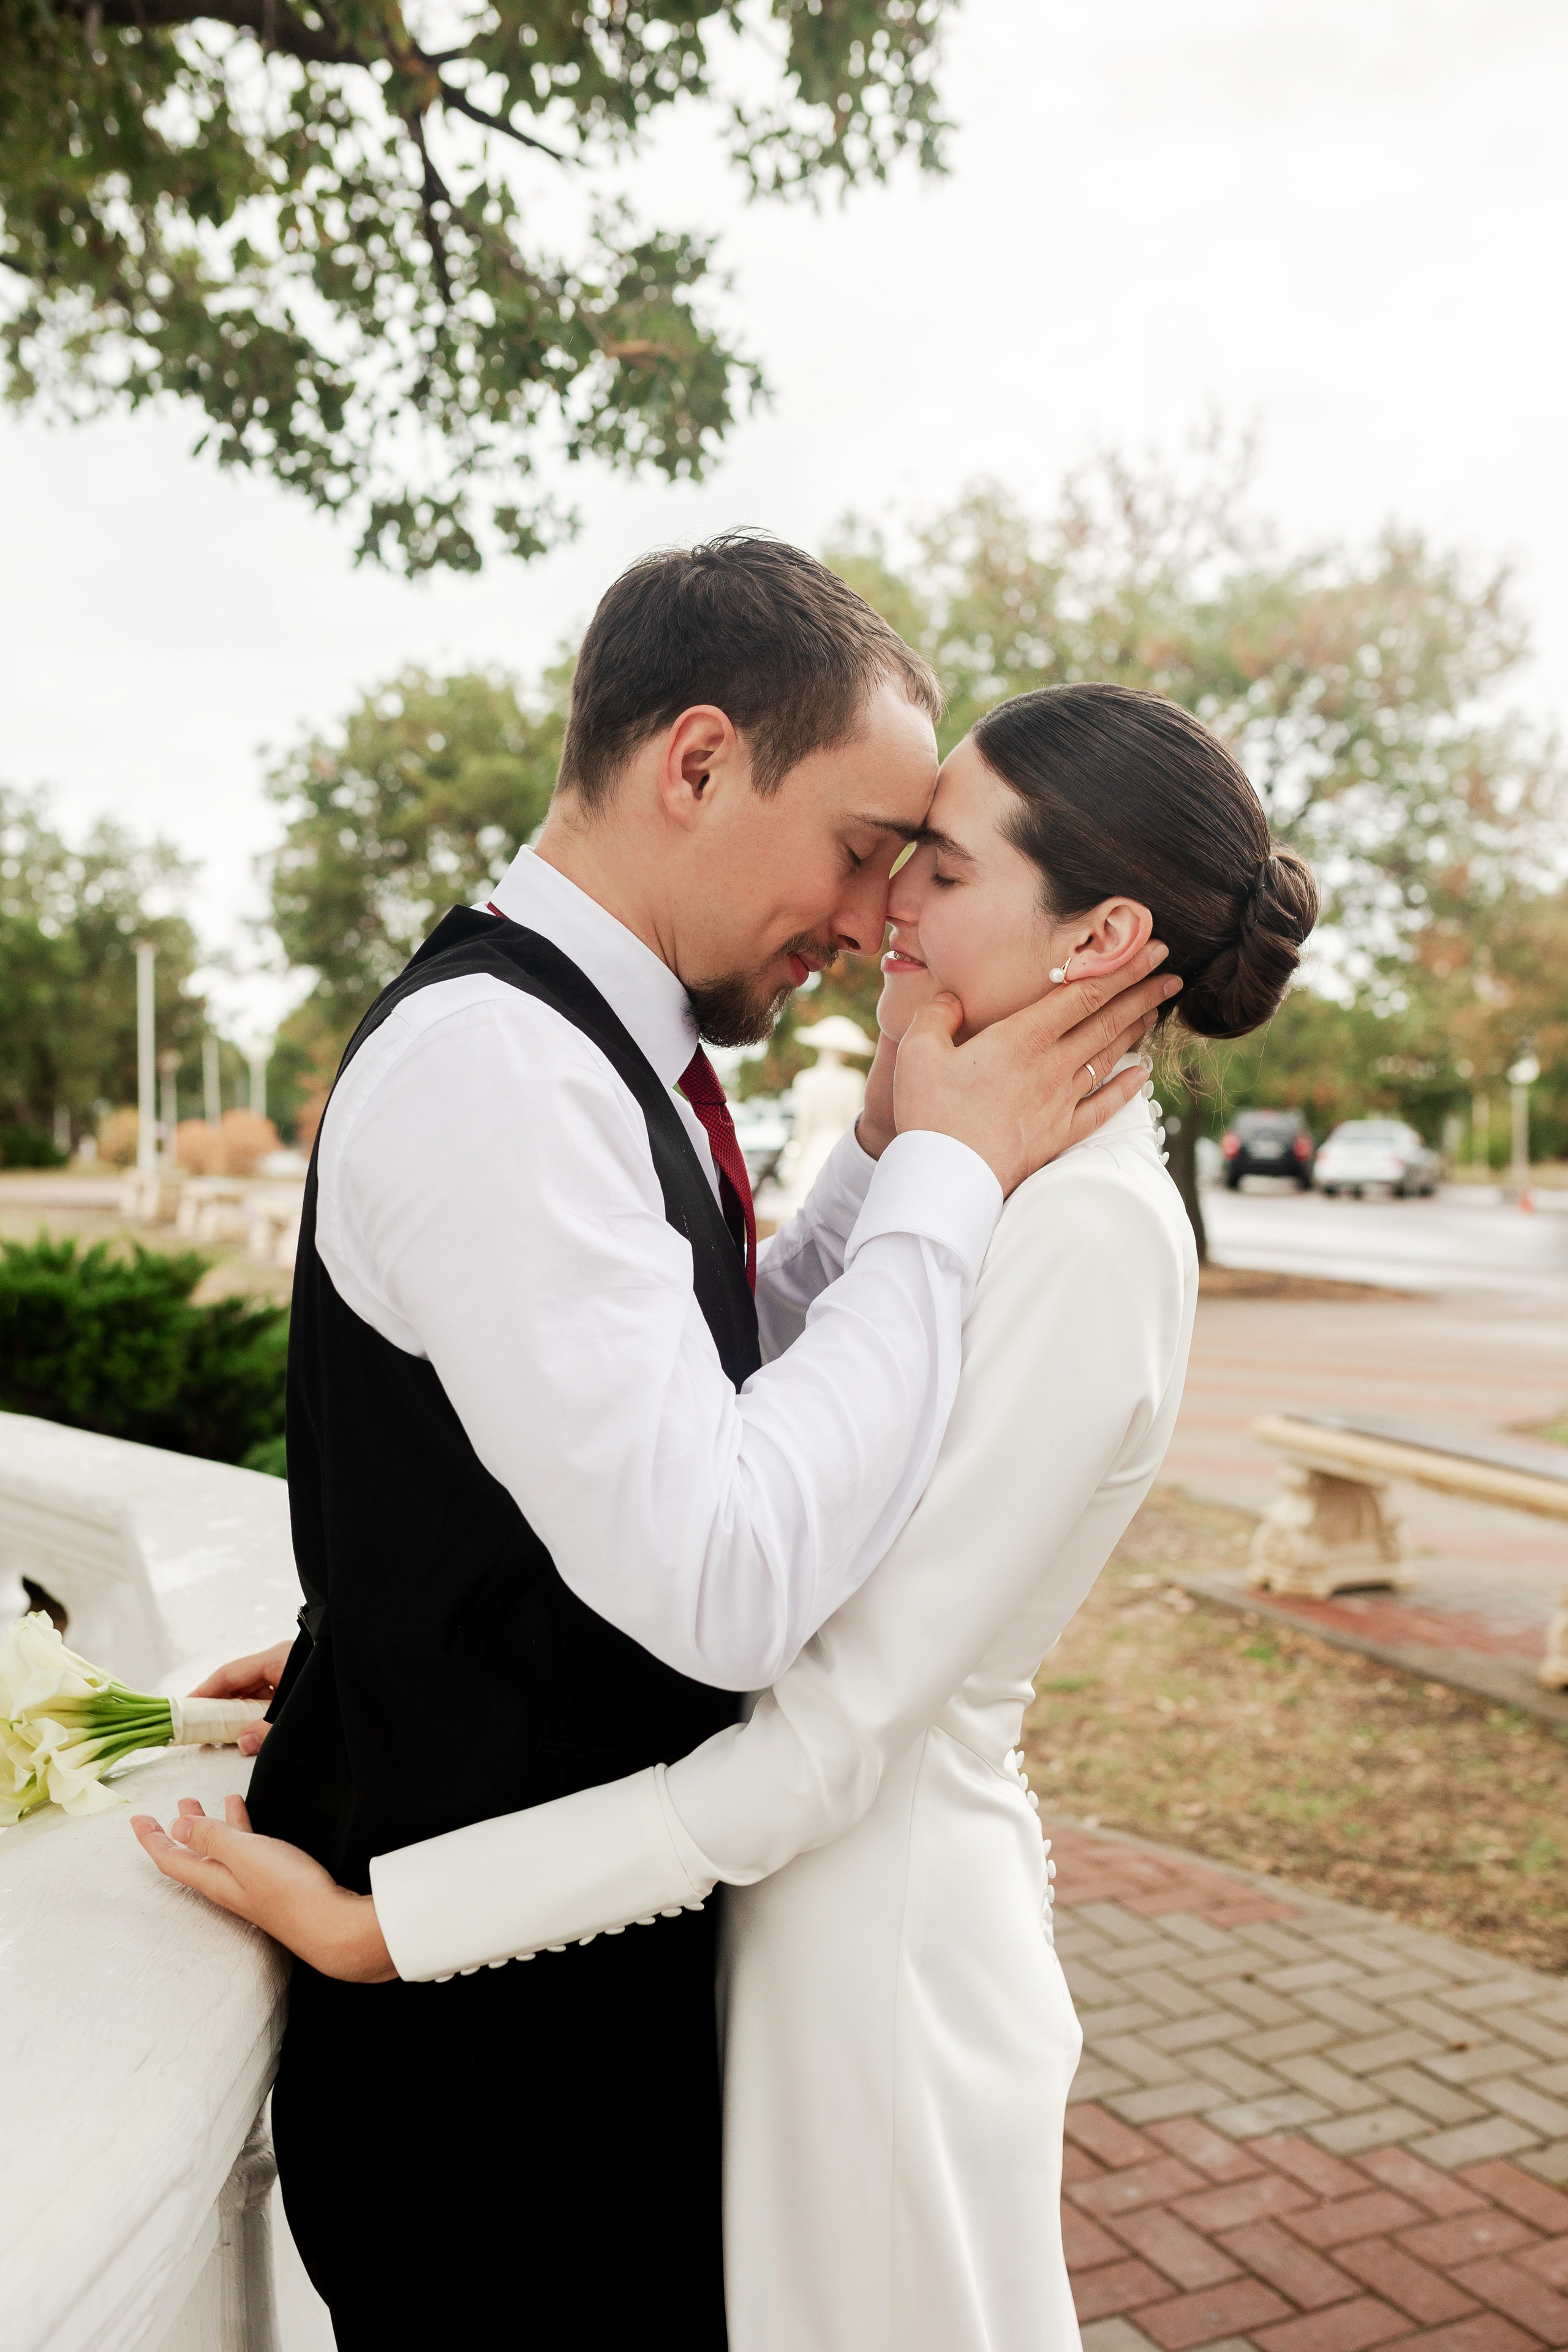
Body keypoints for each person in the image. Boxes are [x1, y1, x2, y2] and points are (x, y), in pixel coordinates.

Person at [133, 543, 1170, 2350]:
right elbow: (727, 1577)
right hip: (499, 2096)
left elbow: (676, 1399)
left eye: (920, 869)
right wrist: (937, 1174)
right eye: (867, 847)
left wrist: (886, 1155)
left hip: (599, 2008)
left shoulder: (609, 1051)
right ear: (697, 763)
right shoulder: (503, 1068)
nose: (874, 920)